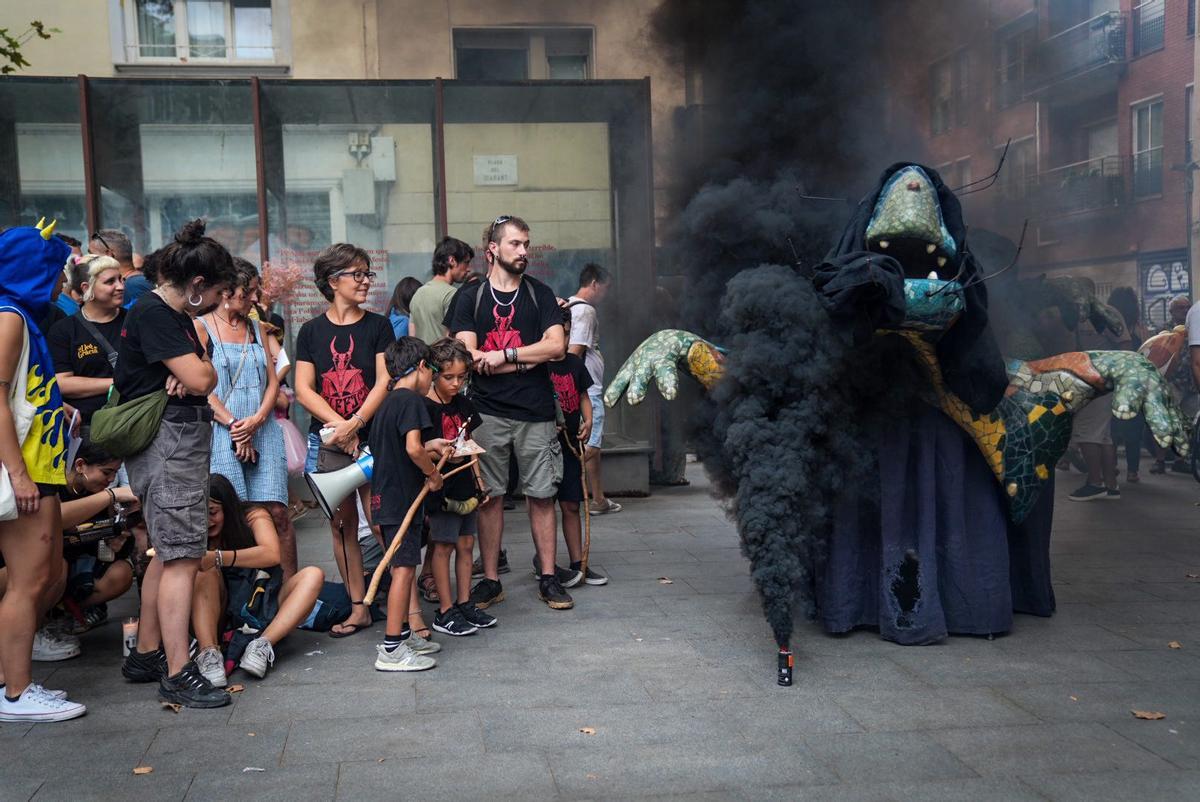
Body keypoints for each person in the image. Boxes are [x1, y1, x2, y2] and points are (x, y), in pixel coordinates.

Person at [117, 219, 235, 709]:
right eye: (220, 293)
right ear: (197, 286)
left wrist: (198, 364)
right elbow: (205, 376)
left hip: (173, 442)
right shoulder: (159, 315)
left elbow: (202, 365)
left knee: (168, 555)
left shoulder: (167, 314)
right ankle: (177, 670)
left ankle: (147, 654)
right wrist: (197, 367)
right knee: (183, 556)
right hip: (170, 445)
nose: (221, 306)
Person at [448, 215, 571, 611]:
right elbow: (467, 357)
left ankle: (549, 577)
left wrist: (505, 355)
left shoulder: (540, 293)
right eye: (515, 244)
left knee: (542, 495)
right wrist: (524, 360)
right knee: (490, 498)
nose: (523, 251)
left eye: (526, 244)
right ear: (493, 250)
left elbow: (556, 347)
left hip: (536, 412)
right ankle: (490, 580)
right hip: (487, 412)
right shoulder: (470, 298)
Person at [0, 223, 84, 722]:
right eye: (55, 270)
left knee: (48, 575)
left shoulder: (20, 317)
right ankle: (15, 693)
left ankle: (14, 682)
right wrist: (18, 474)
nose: (61, 281)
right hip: (25, 469)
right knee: (30, 581)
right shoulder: (9, 318)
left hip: (40, 464)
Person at [294, 243, 393, 638]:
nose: (366, 281)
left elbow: (385, 380)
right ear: (333, 281)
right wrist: (342, 427)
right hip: (333, 443)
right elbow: (304, 389)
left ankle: (404, 598)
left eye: (368, 274)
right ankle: (358, 607)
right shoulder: (311, 331)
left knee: (383, 521)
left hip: (375, 439)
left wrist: (357, 423)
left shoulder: (378, 326)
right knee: (342, 526)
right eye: (358, 274)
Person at [195, 258, 295, 580]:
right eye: (249, 292)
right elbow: (200, 387)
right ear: (226, 291)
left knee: (277, 512)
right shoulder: (201, 327)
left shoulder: (255, 326)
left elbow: (273, 380)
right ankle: (239, 594)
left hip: (261, 428)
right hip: (223, 432)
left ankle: (288, 588)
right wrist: (236, 426)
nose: (255, 298)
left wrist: (256, 420)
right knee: (230, 513)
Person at [368, 337, 452, 671]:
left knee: (401, 566)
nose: (432, 378)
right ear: (420, 367)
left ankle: (402, 634)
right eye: (433, 371)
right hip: (401, 499)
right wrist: (432, 474)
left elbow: (405, 443)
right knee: (403, 570)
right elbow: (413, 449)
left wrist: (431, 443)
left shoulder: (388, 403)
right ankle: (391, 650)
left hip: (384, 497)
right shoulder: (413, 401)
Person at [191, 474, 324, 686]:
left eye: (213, 512)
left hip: (262, 603)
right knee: (203, 570)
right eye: (201, 514)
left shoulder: (252, 516)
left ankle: (262, 646)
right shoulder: (192, 529)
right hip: (220, 613)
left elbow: (272, 554)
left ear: (228, 508)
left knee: (313, 575)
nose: (207, 521)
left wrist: (218, 557)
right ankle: (209, 653)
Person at [423, 338, 496, 635]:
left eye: (461, 377)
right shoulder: (424, 407)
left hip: (466, 484)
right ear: (432, 373)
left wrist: (480, 483)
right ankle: (445, 610)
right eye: (448, 377)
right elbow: (417, 449)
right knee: (443, 546)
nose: (455, 384)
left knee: (467, 544)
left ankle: (465, 603)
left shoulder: (464, 404)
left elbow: (471, 447)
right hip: (442, 486)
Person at [547, 309, 608, 586]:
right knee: (544, 505)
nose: (564, 339)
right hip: (547, 444)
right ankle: (545, 566)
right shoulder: (539, 365)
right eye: (559, 333)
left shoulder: (574, 363)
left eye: (568, 333)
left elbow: (584, 395)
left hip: (573, 442)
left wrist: (589, 420)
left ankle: (578, 563)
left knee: (571, 504)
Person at [59, 440, 138, 633]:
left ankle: (66, 612)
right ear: (80, 465)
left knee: (122, 572)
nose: (111, 479)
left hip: (78, 565)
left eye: (115, 473)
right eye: (106, 472)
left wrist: (118, 541)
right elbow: (54, 522)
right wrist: (110, 496)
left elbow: (101, 548)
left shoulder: (102, 495)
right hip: (51, 562)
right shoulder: (57, 489)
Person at [566, 263, 621, 515]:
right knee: (590, 445)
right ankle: (572, 491)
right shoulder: (586, 311)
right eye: (605, 288)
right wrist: (579, 389)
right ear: (594, 284)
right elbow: (575, 352)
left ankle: (598, 499)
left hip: (583, 389)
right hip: (589, 390)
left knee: (593, 446)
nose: (605, 294)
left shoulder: (568, 305)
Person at [48, 254, 126, 429]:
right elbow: (61, 383)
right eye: (110, 282)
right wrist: (117, 382)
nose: (120, 286)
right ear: (86, 287)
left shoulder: (136, 321)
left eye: (121, 279)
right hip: (87, 427)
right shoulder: (64, 330)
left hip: (135, 420)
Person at [410, 237, 474, 344]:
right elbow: (454, 339)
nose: (468, 268)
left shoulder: (418, 293)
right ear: (452, 260)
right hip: (444, 359)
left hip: (421, 359)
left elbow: (412, 335)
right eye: (466, 262)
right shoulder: (453, 294)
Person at [89, 229, 152, 308]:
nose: (88, 259)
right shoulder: (135, 281)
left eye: (91, 254)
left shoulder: (133, 285)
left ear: (109, 254)